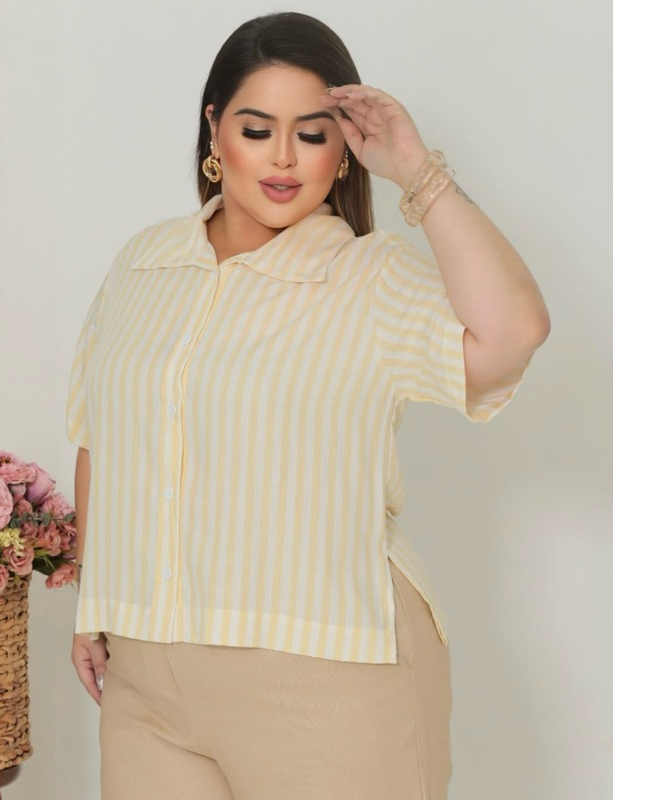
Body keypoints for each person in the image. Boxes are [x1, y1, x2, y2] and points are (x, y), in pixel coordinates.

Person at [66, 11, 550, 800]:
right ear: (214, 129)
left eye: (313, 134)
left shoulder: (369, 278)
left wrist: (415, 169)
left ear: (344, 149)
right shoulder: (144, 264)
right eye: (257, 130)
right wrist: (94, 598)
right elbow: (101, 437)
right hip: (147, 679)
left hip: (327, 673)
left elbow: (514, 333)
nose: (284, 157)